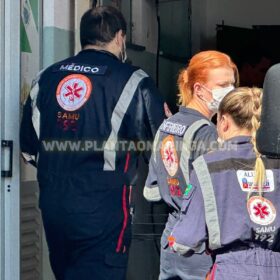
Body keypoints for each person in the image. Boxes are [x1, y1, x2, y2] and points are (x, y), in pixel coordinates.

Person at [20, 6, 166, 280]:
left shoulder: (45, 78)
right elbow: (161, 148)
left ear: (82, 37)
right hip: (103, 210)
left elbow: (29, 150)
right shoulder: (132, 80)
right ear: (120, 37)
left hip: (54, 206)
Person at [143, 50, 239, 280]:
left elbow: (153, 190)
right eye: (223, 84)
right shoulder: (207, 133)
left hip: (172, 239)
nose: (231, 91)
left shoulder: (167, 126)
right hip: (201, 243)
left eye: (233, 84)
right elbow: (223, 194)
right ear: (198, 89)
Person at [170, 87, 280, 279]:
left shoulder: (208, 165)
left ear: (224, 121)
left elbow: (185, 240)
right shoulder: (277, 161)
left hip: (231, 271)